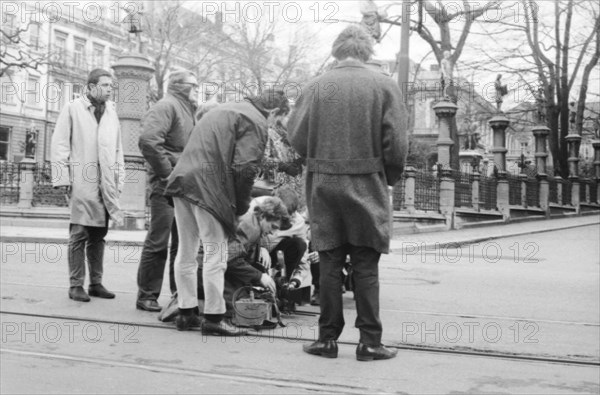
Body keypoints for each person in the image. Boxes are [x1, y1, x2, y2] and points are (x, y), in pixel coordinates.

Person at [287, 26, 408, 361]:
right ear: (366, 51)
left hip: (325, 184)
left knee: (329, 261)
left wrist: (319, 152)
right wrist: (389, 177)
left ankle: (326, 340)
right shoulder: (385, 86)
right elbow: (396, 143)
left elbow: (295, 135)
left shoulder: (316, 86)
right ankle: (370, 342)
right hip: (367, 182)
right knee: (366, 264)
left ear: (337, 51)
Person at [165, 87, 290, 335]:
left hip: (182, 180)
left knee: (186, 252)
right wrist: (241, 207)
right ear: (273, 111)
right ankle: (214, 318)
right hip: (209, 188)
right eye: (276, 120)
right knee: (216, 254)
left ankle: (186, 313)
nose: (272, 125)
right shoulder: (254, 120)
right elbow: (245, 168)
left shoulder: (225, 109)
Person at [51, 68, 125, 302]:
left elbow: (118, 149)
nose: (109, 89)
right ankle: (75, 285)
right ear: (91, 87)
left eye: (111, 86)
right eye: (105, 85)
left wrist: (119, 179)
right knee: (79, 233)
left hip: (105, 183)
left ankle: (96, 283)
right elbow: (60, 144)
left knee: (98, 235)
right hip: (82, 181)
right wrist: (62, 178)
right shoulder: (73, 108)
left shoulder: (112, 113)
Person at [135, 70, 199, 312]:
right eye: (194, 84)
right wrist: (167, 173)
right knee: (159, 239)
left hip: (181, 183)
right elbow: (149, 140)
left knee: (181, 242)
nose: (197, 88)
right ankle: (147, 294)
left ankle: (177, 293)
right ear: (180, 85)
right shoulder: (167, 106)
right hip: (167, 184)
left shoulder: (186, 107)